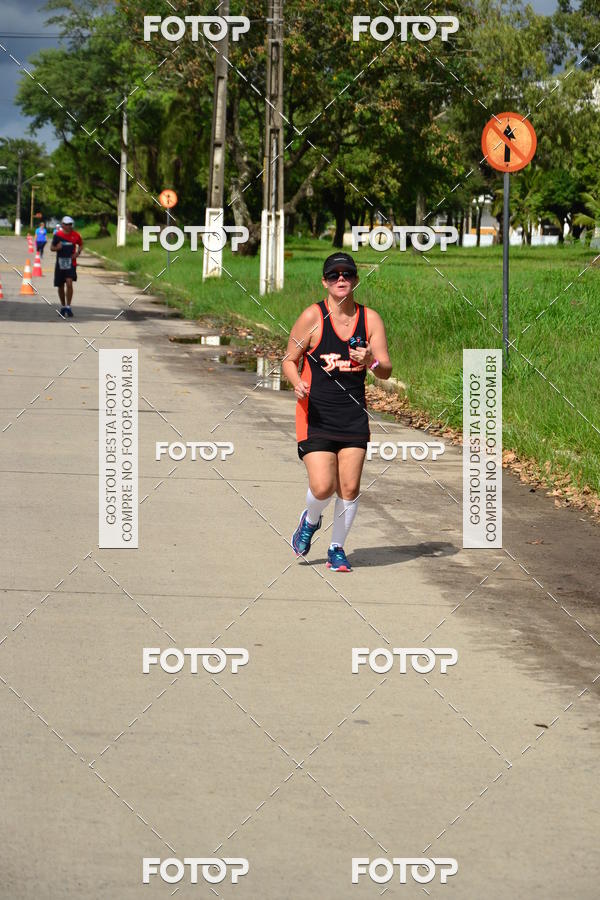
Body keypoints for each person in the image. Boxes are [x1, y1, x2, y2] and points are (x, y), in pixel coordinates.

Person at [283, 252, 393, 572]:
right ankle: (311, 520)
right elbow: (289, 360)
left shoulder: (370, 320)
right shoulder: (312, 318)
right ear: (325, 282)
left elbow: (384, 370)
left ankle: (337, 548)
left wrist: (370, 360)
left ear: (356, 280)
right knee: (322, 487)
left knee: (349, 486)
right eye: (334, 275)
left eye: (347, 274)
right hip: (315, 414)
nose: (341, 279)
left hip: (352, 416)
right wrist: (296, 383)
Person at [50, 216, 83, 317]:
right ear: (62, 224)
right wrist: (57, 247)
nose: (68, 226)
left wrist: (77, 253)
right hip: (60, 263)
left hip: (71, 263)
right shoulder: (58, 235)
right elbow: (52, 248)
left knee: (69, 283)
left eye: (70, 224)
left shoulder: (76, 235)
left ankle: (68, 307)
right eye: (66, 224)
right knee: (60, 285)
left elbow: (81, 245)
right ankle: (63, 306)